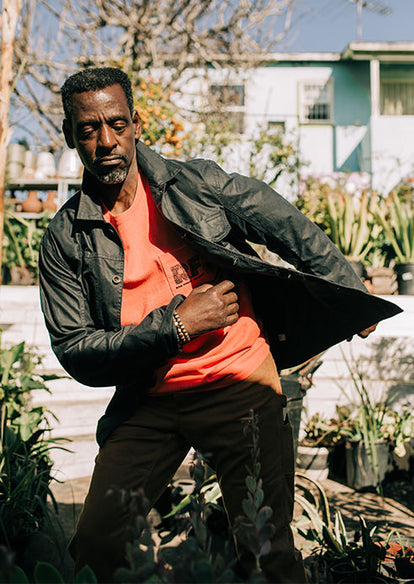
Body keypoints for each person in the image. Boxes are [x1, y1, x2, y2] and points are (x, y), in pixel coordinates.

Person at [39, 67, 401, 583]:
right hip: (149, 398)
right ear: (70, 136)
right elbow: (78, 350)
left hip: (239, 382)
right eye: (88, 130)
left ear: (137, 123)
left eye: (117, 124)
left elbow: (282, 222)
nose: (106, 142)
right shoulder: (65, 238)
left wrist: (346, 285)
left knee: (265, 550)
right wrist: (176, 326)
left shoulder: (195, 185)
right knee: (97, 542)